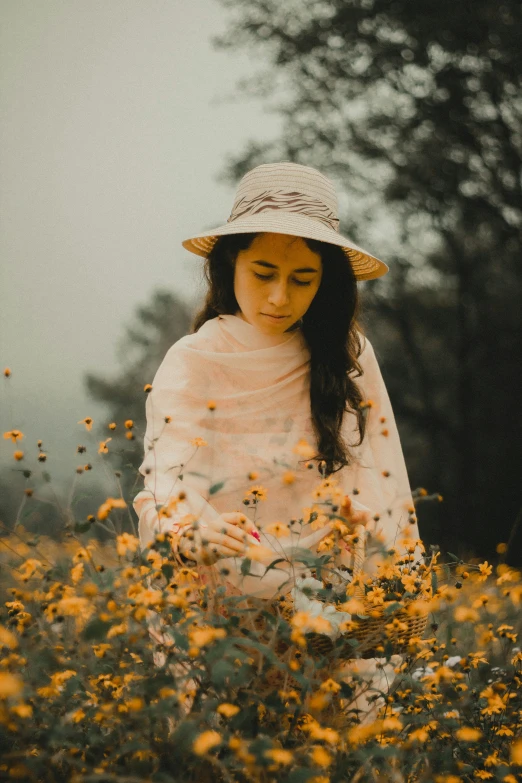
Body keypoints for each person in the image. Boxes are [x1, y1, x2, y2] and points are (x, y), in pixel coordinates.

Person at [133, 161, 425, 724]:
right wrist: (192, 531)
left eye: (302, 280)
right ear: (228, 266)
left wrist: (367, 534)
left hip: (328, 612)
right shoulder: (193, 361)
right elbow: (165, 483)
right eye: (262, 272)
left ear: (327, 283)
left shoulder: (349, 354)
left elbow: (382, 480)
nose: (278, 296)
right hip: (222, 609)